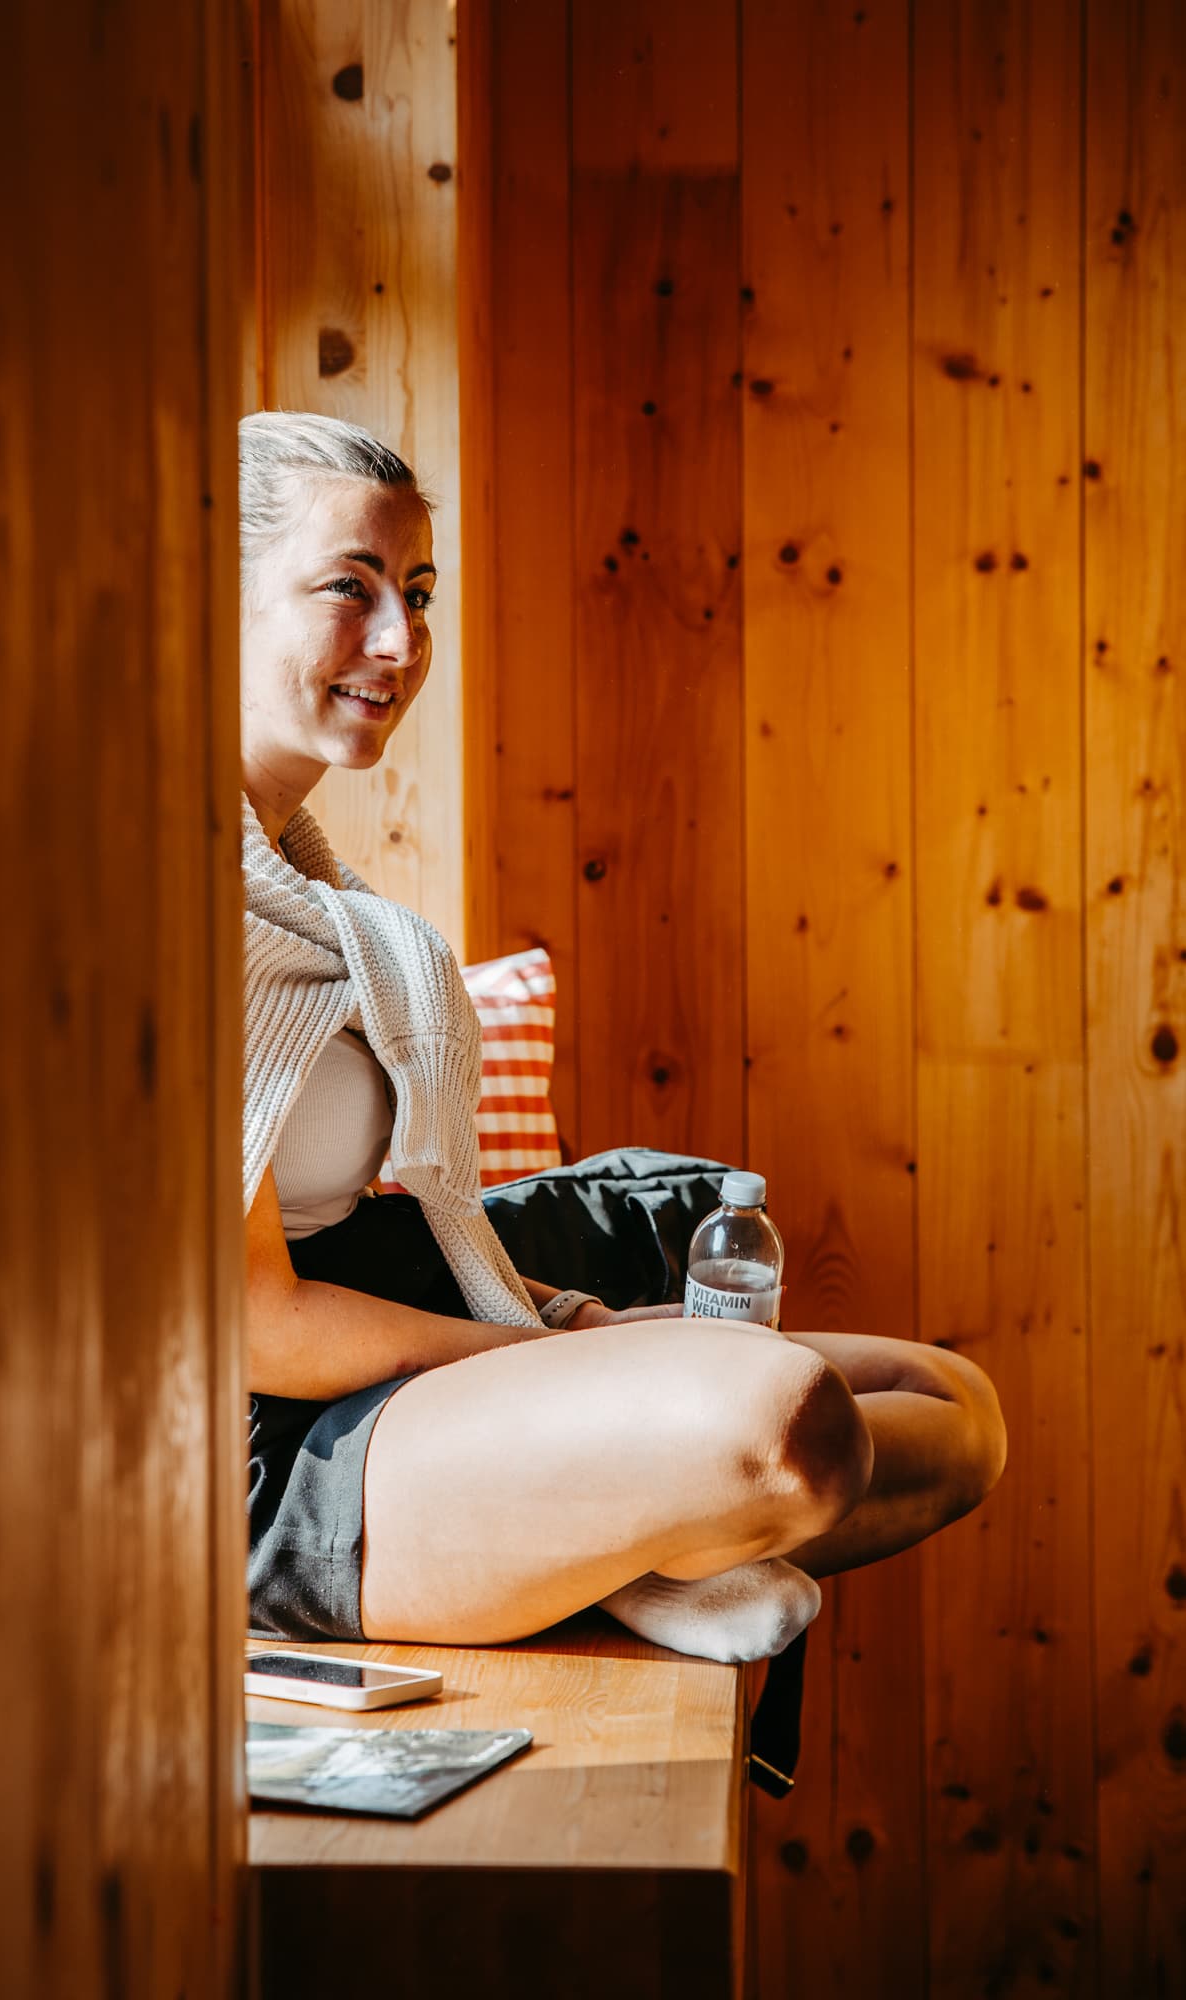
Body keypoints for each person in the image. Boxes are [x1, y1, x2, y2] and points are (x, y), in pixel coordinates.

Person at [240, 411, 1006, 1664]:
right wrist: (549, 1348)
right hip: (273, 1454)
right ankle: (583, 1531)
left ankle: (577, 1535)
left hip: (403, 1347)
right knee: (785, 1421)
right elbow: (254, 1324)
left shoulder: (315, 897)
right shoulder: (163, 898)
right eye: (351, 586)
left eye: (418, 593)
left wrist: (573, 1319)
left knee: (947, 1406)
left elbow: (394, 1235)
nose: (400, 638)